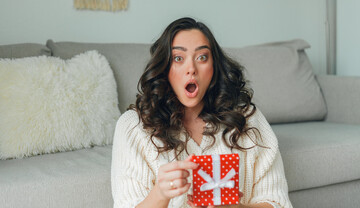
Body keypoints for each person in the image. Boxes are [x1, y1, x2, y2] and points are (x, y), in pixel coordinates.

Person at [111, 17, 293, 208]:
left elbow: (277, 202)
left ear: (214, 67)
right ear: (164, 68)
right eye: (178, 58)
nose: (191, 69)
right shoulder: (133, 127)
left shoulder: (246, 118)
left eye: (202, 57)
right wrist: (160, 194)